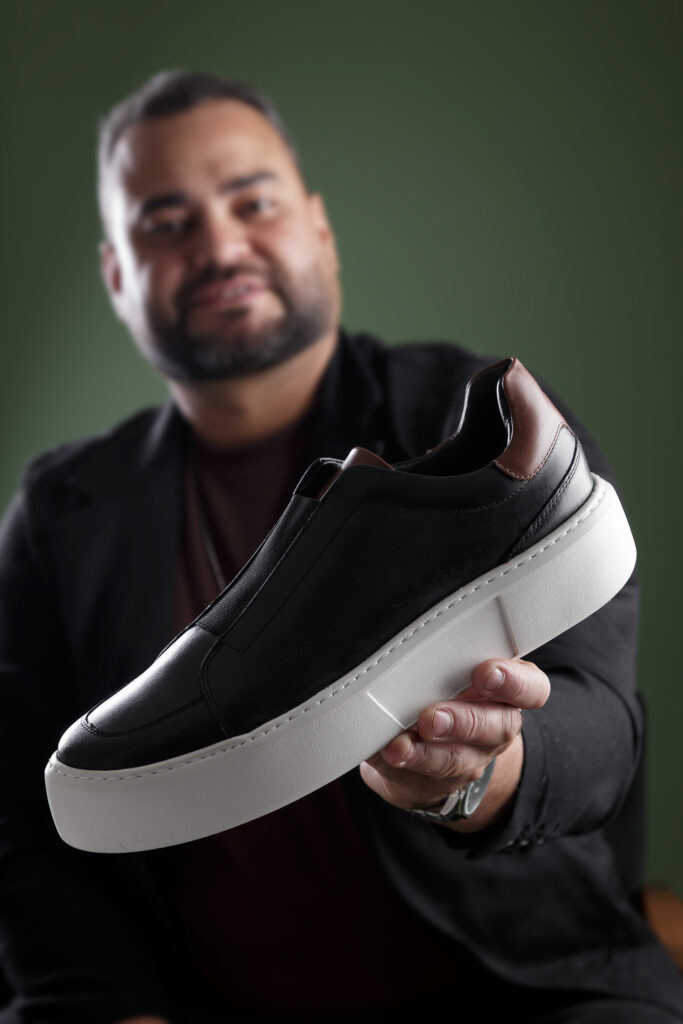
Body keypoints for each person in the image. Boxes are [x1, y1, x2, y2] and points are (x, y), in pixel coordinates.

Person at [0, 70, 681, 1024]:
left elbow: (603, 731)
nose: (220, 245)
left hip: (526, 991)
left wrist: (474, 773)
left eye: (253, 202)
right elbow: (28, 822)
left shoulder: (468, 432)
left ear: (318, 229)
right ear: (117, 275)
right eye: (167, 222)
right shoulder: (59, 511)